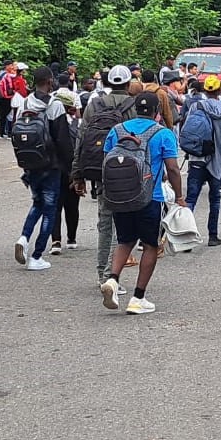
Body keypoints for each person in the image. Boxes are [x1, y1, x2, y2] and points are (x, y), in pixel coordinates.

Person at [99, 92, 185, 315]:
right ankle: (138, 298)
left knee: (124, 241)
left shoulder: (117, 130)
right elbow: (173, 169)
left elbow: (106, 162)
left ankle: (113, 280)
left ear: (136, 108)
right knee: (150, 246)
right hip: (150, 197)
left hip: (120, 196)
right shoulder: (163, 134)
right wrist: (179, 197)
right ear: (157, 111)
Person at [73, 64, 138, 287]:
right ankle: (113, 276)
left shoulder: (95, 104)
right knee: (124, 225)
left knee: (105, 223)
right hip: (128, 173)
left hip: (101, 171)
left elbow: (81, 140)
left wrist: (77, 174)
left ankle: (104, 274)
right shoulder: (133, 106)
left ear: (107, 83)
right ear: (129, 84)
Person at [15, 67, 74, 271]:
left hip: (30, 163)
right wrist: (70, 167)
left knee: (37, 203)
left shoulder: (24, 103)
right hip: (51, 164)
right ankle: (37, 255)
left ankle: (24, 237)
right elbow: (63, 139)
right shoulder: (55, 105)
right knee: (50, 209)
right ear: (50, 82)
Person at [184, 75, 221, 247]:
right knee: (214, 198)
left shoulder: (195, 106)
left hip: (196, 157)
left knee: (191, 198)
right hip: (216, 159)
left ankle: (186, 237)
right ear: (220, 90)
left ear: (204, 90)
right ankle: (213, 236)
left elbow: (187, 129)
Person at [51, 93, 81, 255]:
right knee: (72, 205)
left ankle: (56, 240)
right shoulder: (78, 123)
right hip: (72, 168)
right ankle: (71, 238)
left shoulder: (49, 121)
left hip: (54, 169)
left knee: (55, 206)